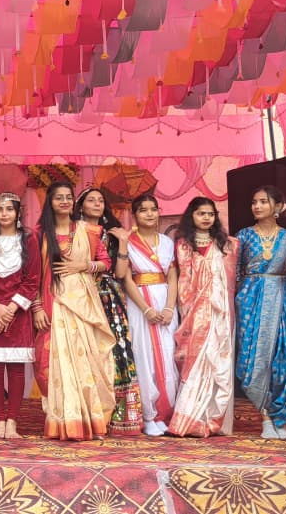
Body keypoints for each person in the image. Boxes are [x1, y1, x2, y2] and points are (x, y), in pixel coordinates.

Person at [33, 182, 116, 441]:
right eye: (59, 197)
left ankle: (92, 421)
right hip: (53, 304)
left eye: (68, 197)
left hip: (84, 307)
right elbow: (33, 275)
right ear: (50, 202)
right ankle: (62, 420)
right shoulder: (39, 234)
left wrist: (84, 265)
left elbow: (106, 263)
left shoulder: (89, 231)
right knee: (50, 365)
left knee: (87, 362)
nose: (64, 201)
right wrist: (37, 307)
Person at [235, 186, 286, 440]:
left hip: (282, 300)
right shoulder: (243, 236)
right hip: (249, 301)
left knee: (284, 358)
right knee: (254, 359)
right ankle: (266, 418)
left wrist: (282, 296)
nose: (257, 206)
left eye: (263, 202)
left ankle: (281, 420)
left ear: (278, 207)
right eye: (254, 202)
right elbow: (236, 272)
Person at [73, 188, 143, 436]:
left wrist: (122, 241)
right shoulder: (73, 232)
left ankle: (119, 416)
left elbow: (120, 273)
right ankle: (88, 415)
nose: (97, 203)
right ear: (80, 206)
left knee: (116, 353)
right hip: (81, 297)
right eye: (91, 200)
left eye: (101, 200)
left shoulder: (113, 233)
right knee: (86, 354)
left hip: (109, 300)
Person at [168, 197, 238, 438]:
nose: (206, 218)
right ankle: (190, 418)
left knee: (218, 361)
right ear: (192, 216)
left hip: (220, 314)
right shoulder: (183, 246)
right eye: (201, 213)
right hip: (195, 313)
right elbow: (184, 283)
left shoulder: (227, 245)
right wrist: (191, 307)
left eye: (210, 214)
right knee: (195, 361)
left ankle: (212, 419)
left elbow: (230, 281)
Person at [0, 192, 39, 439]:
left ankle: (12, 421)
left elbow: (32, 280)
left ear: (17, 213)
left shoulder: (30, 240)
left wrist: (10, 310)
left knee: (15, 369)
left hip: (18, 313)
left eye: (9, 209)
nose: (4, 214)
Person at [122, 194, 180, 437]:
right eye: (143, 210)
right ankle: (148, 415)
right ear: (134, 214)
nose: (149, 214)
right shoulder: (127, 241)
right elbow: (125, 278)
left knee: (167, 355)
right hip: (139, 303)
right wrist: (146, 309)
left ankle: (165, 414)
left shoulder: (166, 242)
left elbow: (172, 276)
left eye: (153, 209)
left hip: (165, 300)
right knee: (144, 356)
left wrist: (169, 308)